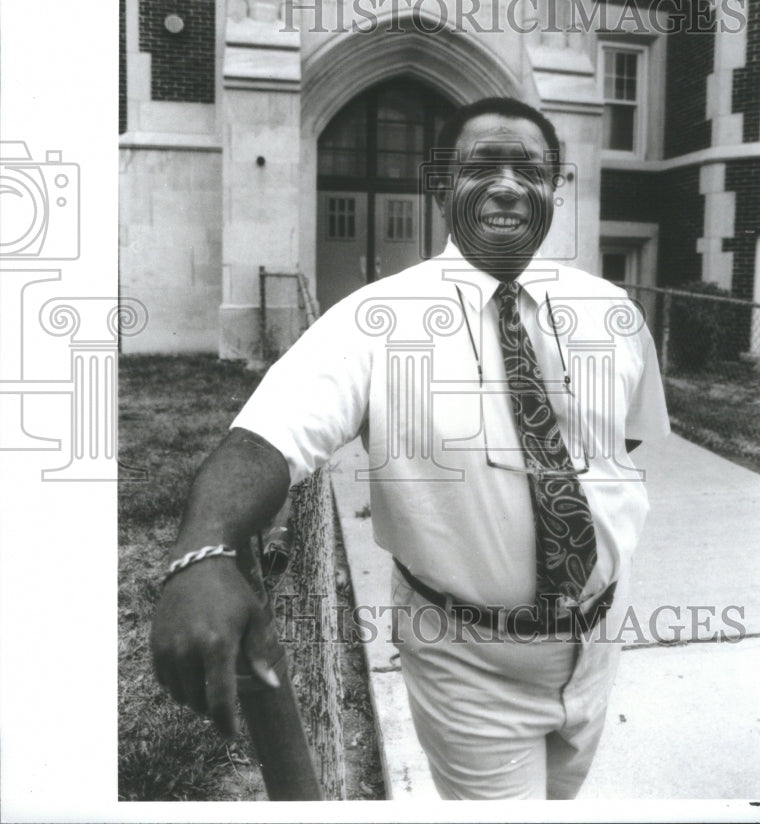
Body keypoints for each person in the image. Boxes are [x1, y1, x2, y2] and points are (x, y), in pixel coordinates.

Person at [151, 97, 670, 800]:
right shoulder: (377, 321)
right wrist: (204, 548)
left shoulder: (612, 311)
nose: (510, 184)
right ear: (440, 187)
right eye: (482, 166)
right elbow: (266, 436)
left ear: (556, 188)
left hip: (600, 638)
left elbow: (620, 446)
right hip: (470, 661)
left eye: (533, 169)